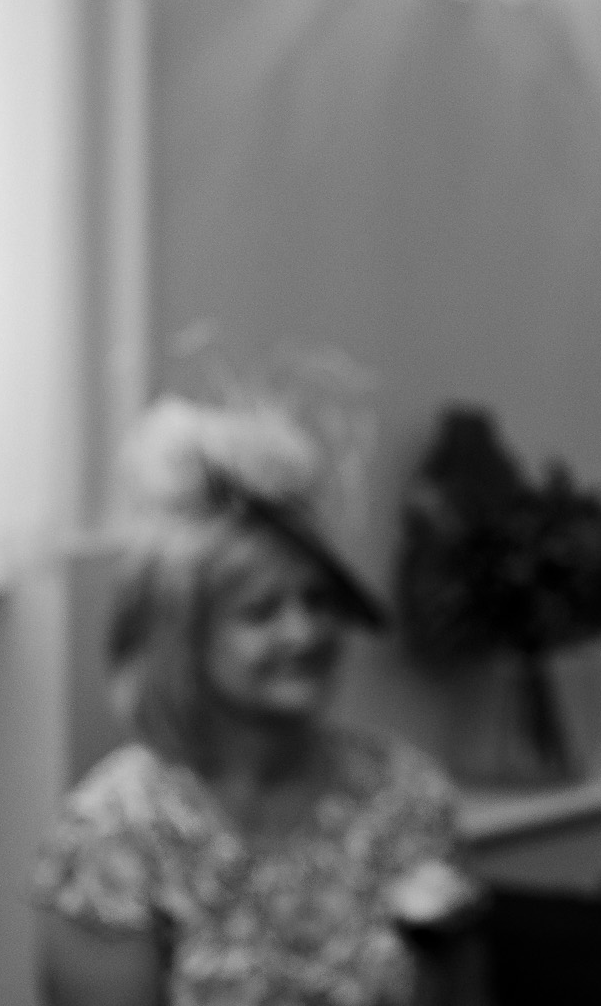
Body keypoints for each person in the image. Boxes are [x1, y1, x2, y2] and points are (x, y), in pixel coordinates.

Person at [35, 396, 480, 1006]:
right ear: (184, 634)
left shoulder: (406, 798)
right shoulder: (118, 834)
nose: (304, 633)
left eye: (320, 602)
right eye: (261, 612)